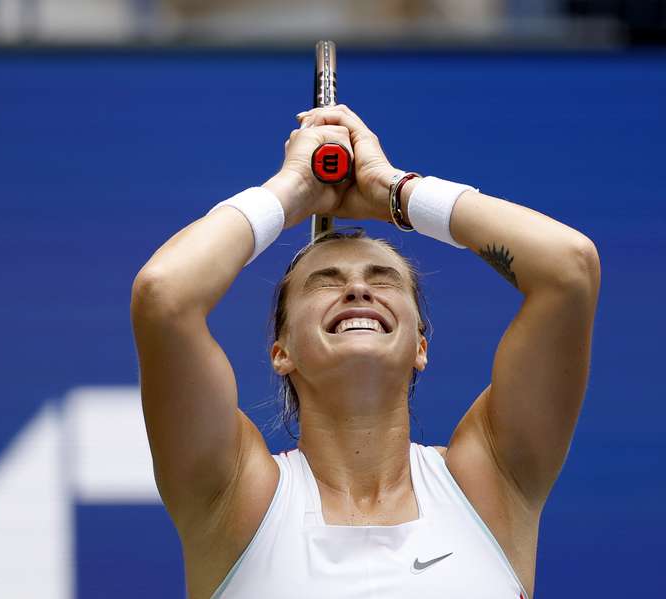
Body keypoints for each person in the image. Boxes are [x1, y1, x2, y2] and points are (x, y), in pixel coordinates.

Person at [131, 104, 600, 599]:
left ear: (420, 344)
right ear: (281, 350)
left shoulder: (491, 480)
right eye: (325, 282)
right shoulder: (234, 494)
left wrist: (394, 191)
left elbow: (568, 268)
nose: (357, 289)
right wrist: (289, 192)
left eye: (383, 279)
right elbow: (165, 295)